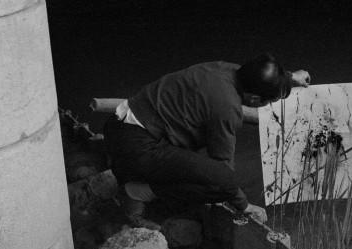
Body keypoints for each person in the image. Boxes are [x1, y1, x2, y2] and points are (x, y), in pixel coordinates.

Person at [103, 53, 311, 228]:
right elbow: (223, 173)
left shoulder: (225, 69)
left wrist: (288, 77)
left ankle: (140, 177)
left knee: (205, 171)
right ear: (255, 100)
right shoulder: (226, 110)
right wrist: (244, 205)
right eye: (271, 102)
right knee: (221, 184)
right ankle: (138, 191)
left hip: (121, 126)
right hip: (138, 148)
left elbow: (256, 74)